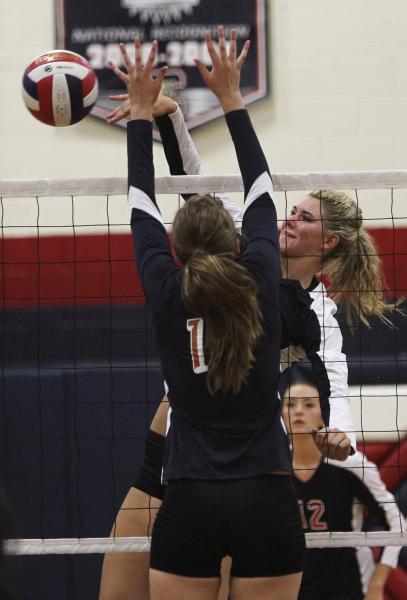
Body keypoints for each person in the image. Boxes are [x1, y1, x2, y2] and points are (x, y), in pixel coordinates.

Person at [121, 26, 308, 600]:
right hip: (267, 496)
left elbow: (140, 201)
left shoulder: (165, 288)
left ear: (174, 248)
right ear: (237, 241)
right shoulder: (260, 282)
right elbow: (260, 187)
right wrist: (232, 99)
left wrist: (139, 114)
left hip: (191, 496)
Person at [280, 361, 405, 600]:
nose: (298, 411)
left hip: (349, 591)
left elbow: (398, 524)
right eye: (290, 404)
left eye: (308, 404)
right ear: (281, 414)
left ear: (323, 414)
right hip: (289, 590)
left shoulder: (350, 464)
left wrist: (377, 586)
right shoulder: (272, 470)